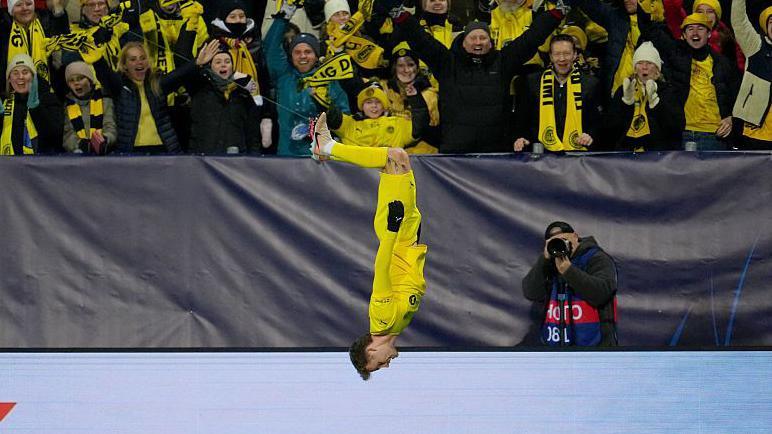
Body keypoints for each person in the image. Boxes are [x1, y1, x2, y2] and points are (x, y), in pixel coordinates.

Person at [309, 111, 427, 380]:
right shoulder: (397, 326)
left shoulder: (383, 320)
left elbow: (381, 268)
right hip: (407, 236)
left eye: (378, 364)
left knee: (396, 157)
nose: (386, 365)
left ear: (369, 351)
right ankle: (327, 151)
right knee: (393, 162)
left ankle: (327, 146)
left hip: (397, 235)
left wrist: (393, 230)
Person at [388, 0, 566, 153]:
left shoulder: (503, 62)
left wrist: (557, 13)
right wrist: (400, 14)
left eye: (483, 38)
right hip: (454, 153)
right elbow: (420, 40)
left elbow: (531, 38)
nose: (478, 42)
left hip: (495, 152)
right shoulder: (448, 63)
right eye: (473, 38)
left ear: (491, 42)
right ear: (463, 43)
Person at [640, 11, 739, 150]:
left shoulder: (724, 64)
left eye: (700, 28)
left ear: (709, 34)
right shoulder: (675, 55)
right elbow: (650, 29)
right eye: (690, 29)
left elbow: (738, 99)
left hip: (713, 136)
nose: (695, 33)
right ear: (684, 35)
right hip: (682, 135)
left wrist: (731, 118)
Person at [263, 4, 350, 156]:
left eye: (308, 52)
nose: (303, 56)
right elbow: (270, 47)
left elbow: (345, 120)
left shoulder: (329, 81)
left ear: (316, 56)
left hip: (321, 158)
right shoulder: (284, 76)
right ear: (291, 57)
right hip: (287, 156)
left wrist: (318, 127)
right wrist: (284, 16)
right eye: (297, 52)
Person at [522, 221, 618, 347]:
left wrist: (568, 271)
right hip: (554, 348)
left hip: (595, 349)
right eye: (554, 241)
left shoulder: (596, 258)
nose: (560, 244)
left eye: (563, 239)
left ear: (575, 236)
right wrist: (543, 260)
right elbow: (531, 293)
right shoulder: (550, 264)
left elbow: (601, 294)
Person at [513, 34, 601, 152]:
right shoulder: (533, 82)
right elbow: (524, 118)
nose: (562, 59)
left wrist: (590, 135)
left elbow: (597, 121)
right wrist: (523, 138)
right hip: (542, 154)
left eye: (566, 53)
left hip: (577, 153)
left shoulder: (590, 83)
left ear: (575, 55)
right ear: (550, 56)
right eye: (557, 54)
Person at [209, 0, 274, 151]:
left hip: (253, 110)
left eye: (241, 16)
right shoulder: (214, 44)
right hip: (225, 112)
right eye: (232, 17)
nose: (238, 20)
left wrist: (266, 115)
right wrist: (235, 77)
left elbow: (264, 80)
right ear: (223, 20)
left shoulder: (255, 43)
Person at [187, 42, 263, 154]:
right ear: (210, 66)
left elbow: (252, 132)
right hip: (204, 160)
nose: (223, 65)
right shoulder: (199, 88)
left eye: (227, 62)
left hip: (236, 159)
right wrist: (198, 62)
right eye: (218, 62)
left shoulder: (242, 93)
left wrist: (254, 156)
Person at [606, 41, 683, 151]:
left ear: (657, 69)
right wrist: (626, 103)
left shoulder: (668, 91)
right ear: (635, 68)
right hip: (625, 154)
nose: (644, 67)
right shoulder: (624, 90)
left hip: (656, 156)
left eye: (649, 63)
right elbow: (610, 129)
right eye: (640, 63)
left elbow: (676, 129)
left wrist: (655, 102)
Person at [326, 81, 429, 149]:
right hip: (357, 176)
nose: (374, 106)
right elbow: (331, 116)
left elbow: (420, 124)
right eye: (369, 102)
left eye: (378, 102)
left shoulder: (398, 123)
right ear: (361, 105)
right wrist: (324, 98)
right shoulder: (350, 123)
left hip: (388, 175)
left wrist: (415, 98)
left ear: (384, 104)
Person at [1, 0, 71, 92]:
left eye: (29, 4)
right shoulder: (3, 27)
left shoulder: (46, 21)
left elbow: (65, 37)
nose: (25, 8)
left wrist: (58, 10)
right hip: (9, 94)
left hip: (47, 88)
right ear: (11, 10)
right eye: (19, 5)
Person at [1, 53, 63, 155]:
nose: (20, 77)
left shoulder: (48, 98)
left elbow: (56, 136)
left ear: (33, 76)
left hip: (40, 166)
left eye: (25, 72)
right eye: (15, 73)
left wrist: (37, 108)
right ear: (9, 79)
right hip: (8, 167)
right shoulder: (4, 102)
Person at [731, 1, 771, 150]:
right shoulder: (755, 45)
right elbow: (739, 20)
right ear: (765, 26)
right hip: (753, 134)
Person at [62, 60, 116, 154]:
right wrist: (83, 145)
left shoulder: (105, 100)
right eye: (72, 80)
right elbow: (68, 135)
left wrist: (103, 141)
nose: (76, 83)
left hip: (105, 155)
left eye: (80, 78)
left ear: (90, 80)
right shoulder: (67, 105)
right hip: (79, 156)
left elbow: (110, 128)